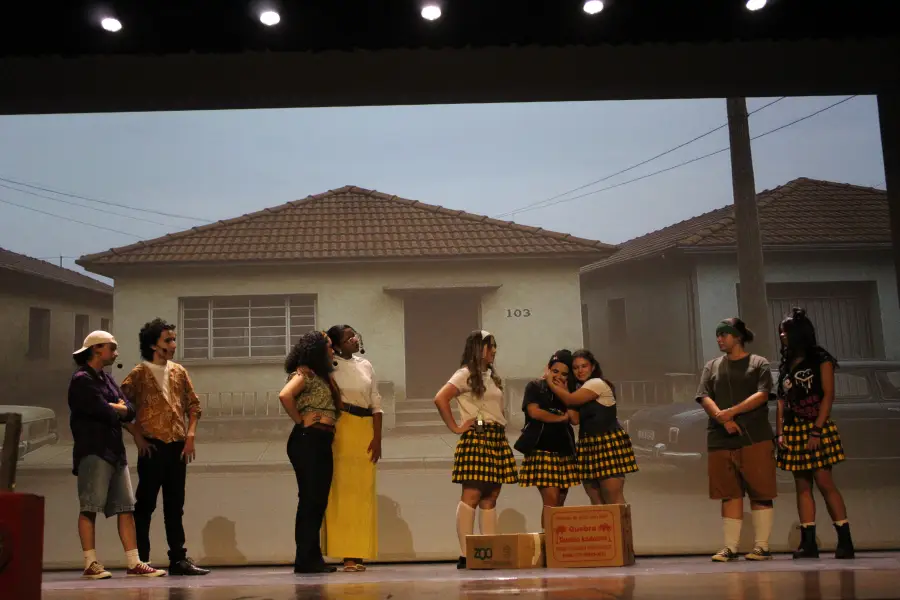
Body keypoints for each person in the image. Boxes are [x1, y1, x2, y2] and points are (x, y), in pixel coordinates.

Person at [68, 330, 166, 580]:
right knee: (90, 506)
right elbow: (102, 410)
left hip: (114, 451)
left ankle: (134, 562)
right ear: (96, 349)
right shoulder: (82, 380)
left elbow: (129, 409)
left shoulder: (107, 379)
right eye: (112, 348)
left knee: (125, 507)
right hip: (94, 450)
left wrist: (118, 407)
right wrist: (116, 408)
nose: (116, 353)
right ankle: (90, 562)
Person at [120, 318, 209, 576]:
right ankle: (142, 559)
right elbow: (121, 408)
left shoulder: (178, 371)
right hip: (153, 445)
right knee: (145, 504)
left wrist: (190, 435)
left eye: (173, 340)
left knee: (175, 504)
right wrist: (138, 437)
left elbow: (194, 405)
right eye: (167, 340)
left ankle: (178, 559)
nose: (173, 345)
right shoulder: (138, 374)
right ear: (153, 345)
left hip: (177, 445)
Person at [433, 330, 517, 569]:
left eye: (495, 346)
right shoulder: (465, 374)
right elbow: (440, 398)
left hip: (496, 438)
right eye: (490, 346)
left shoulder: (491, 376)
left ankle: (488, 552)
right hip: (478, 437)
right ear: (478, 349)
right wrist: (456, 427)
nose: (494, 351)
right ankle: (466, 553)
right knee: (472, 495)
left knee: (491, 496)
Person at [695, 317, 776, 562]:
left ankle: (762, 546)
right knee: (729, 492)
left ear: (737, 336)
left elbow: (763, 394)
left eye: (724, 334)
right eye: (718, 335)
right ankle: (730, 547)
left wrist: (732, 412)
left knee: (760, 491)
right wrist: (723, 419)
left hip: (754, 436)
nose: (719, 339)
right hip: (721, 438)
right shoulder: (712, 366)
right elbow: (704, 395)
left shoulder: (758, 363)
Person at [776, 307, 854, 559]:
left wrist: (817, 431)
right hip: (794, 428)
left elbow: (828, 395)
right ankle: (808, 542)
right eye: (781, 331)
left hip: (815, 426)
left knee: (824, 482)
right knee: (801, 485)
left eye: (785, 331)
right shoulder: (787, 363)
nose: (782, 335)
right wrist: (780, 433)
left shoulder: (820, 358)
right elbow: (782, 401)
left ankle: (845, 541)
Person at [279, 331, 343, 574]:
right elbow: (285, 395)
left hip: (322, 440)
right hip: (308, 440)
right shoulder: (304, 373)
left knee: (317, 501)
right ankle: (305, 559)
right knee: (309, 500)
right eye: (329, 346)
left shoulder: (321, 376)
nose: (332, 350)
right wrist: (300, 420)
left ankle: (312, 557)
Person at [323, 324, 382, 572]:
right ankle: (347, 554)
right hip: (342, 427)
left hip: (365, 428)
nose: (355, 339)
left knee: (363, 492)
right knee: (344, 492)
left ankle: (360, 552)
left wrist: (377, 437)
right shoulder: (330, 367)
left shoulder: (365, 365)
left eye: (355, 335)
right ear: (336, 345)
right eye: (348, 338)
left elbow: (376, 402)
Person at [547, 349, 637, 505]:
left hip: (606, 443)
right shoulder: (580, 390)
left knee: (613, 499)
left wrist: (551, 382)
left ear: (593, 367)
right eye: (576, 368)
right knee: (596, 501)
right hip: (588, 444)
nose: (580, 371)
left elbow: (570, 400)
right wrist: (566, 390)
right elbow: (574, 419)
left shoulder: (596, 383)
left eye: (584, 366)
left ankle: (623, 523)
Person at [516, 350, 580, 529]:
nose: (558, 376)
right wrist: (560, 418)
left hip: (564, 451)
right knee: (551, 502)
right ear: (548, 369)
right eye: (555, 371)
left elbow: (575, 419)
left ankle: (555, 541)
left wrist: (564, 392)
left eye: (564, 374)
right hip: (542, 449)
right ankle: (549, 543)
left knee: (559, 502)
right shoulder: (535, 386)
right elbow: (534, 412)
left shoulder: (568, 393)